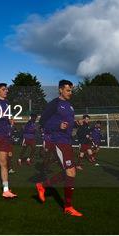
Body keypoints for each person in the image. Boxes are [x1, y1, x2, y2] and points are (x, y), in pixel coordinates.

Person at [35, 80, 83, 217]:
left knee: (68, 172)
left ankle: (42, 186)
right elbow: (42, 122)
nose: (70, 93)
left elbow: (67, 123)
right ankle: (68, 207)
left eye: (71, 90)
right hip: (57, 141)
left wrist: (76, 124)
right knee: (71, 172)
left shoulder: (70, 106)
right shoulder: (54, 104)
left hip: (67, 141)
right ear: (60, 90)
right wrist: (57, 126)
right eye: (68, 90)